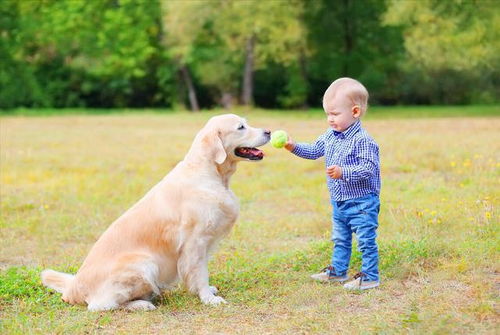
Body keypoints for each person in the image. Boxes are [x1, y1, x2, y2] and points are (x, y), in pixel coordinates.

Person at [285, 77, 381, 290]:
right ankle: (338, 272)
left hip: (362, 202)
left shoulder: (363, 140)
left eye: (335, 114)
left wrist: (343, 172)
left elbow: (368, 169)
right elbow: (314, 150)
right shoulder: (330, 135)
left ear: (355, 112)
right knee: (340, 238)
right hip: (339, 202)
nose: (330, 119)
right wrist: (294, 147)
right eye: (328, 114)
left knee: (365, 240)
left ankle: (370, 276)